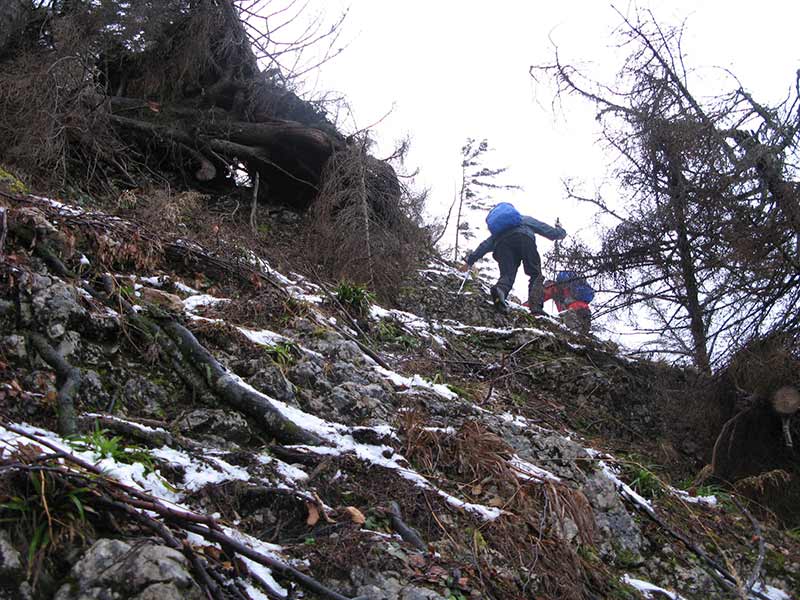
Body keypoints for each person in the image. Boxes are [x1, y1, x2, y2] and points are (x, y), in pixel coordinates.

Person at [461, 203, 566, 314]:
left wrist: (469, 262)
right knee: (535, 273)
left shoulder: (498, 232)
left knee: (507, 274)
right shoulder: (524, 219)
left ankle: (500, 292)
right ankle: (536, 307)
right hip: (525, 239)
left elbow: (484, 246)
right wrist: (560, 230)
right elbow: (550, 232)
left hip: (502, 245)